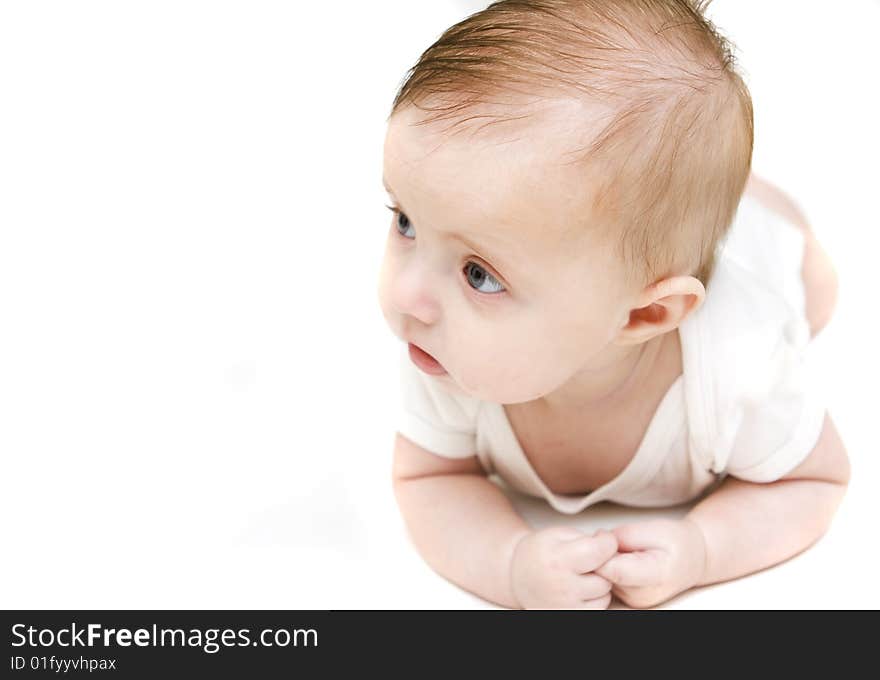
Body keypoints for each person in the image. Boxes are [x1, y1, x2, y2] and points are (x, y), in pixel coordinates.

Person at [377, 0, 850, 609]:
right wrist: (509, 563)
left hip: (768, 250)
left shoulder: (740, 362)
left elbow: (816, 479)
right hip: (638, 251)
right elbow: (427, 481)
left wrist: (704, 548)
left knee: (812, 284)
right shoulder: (449, 348)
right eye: (407, 221)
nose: (408, 295)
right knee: (649, 214)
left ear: (644, 316)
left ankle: (750, 203)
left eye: (479, 274)